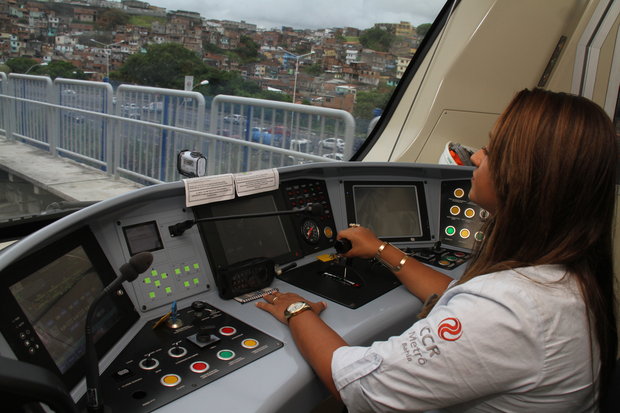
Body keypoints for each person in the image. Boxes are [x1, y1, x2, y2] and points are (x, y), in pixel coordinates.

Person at [256, 88, 618, 412]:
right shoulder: (565, 278)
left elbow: (359, 386)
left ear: (526, 177)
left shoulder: (509, 312)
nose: (476, 158)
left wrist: (297, 310)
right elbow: (455, 297)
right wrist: (381, 248)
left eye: (491, 150)